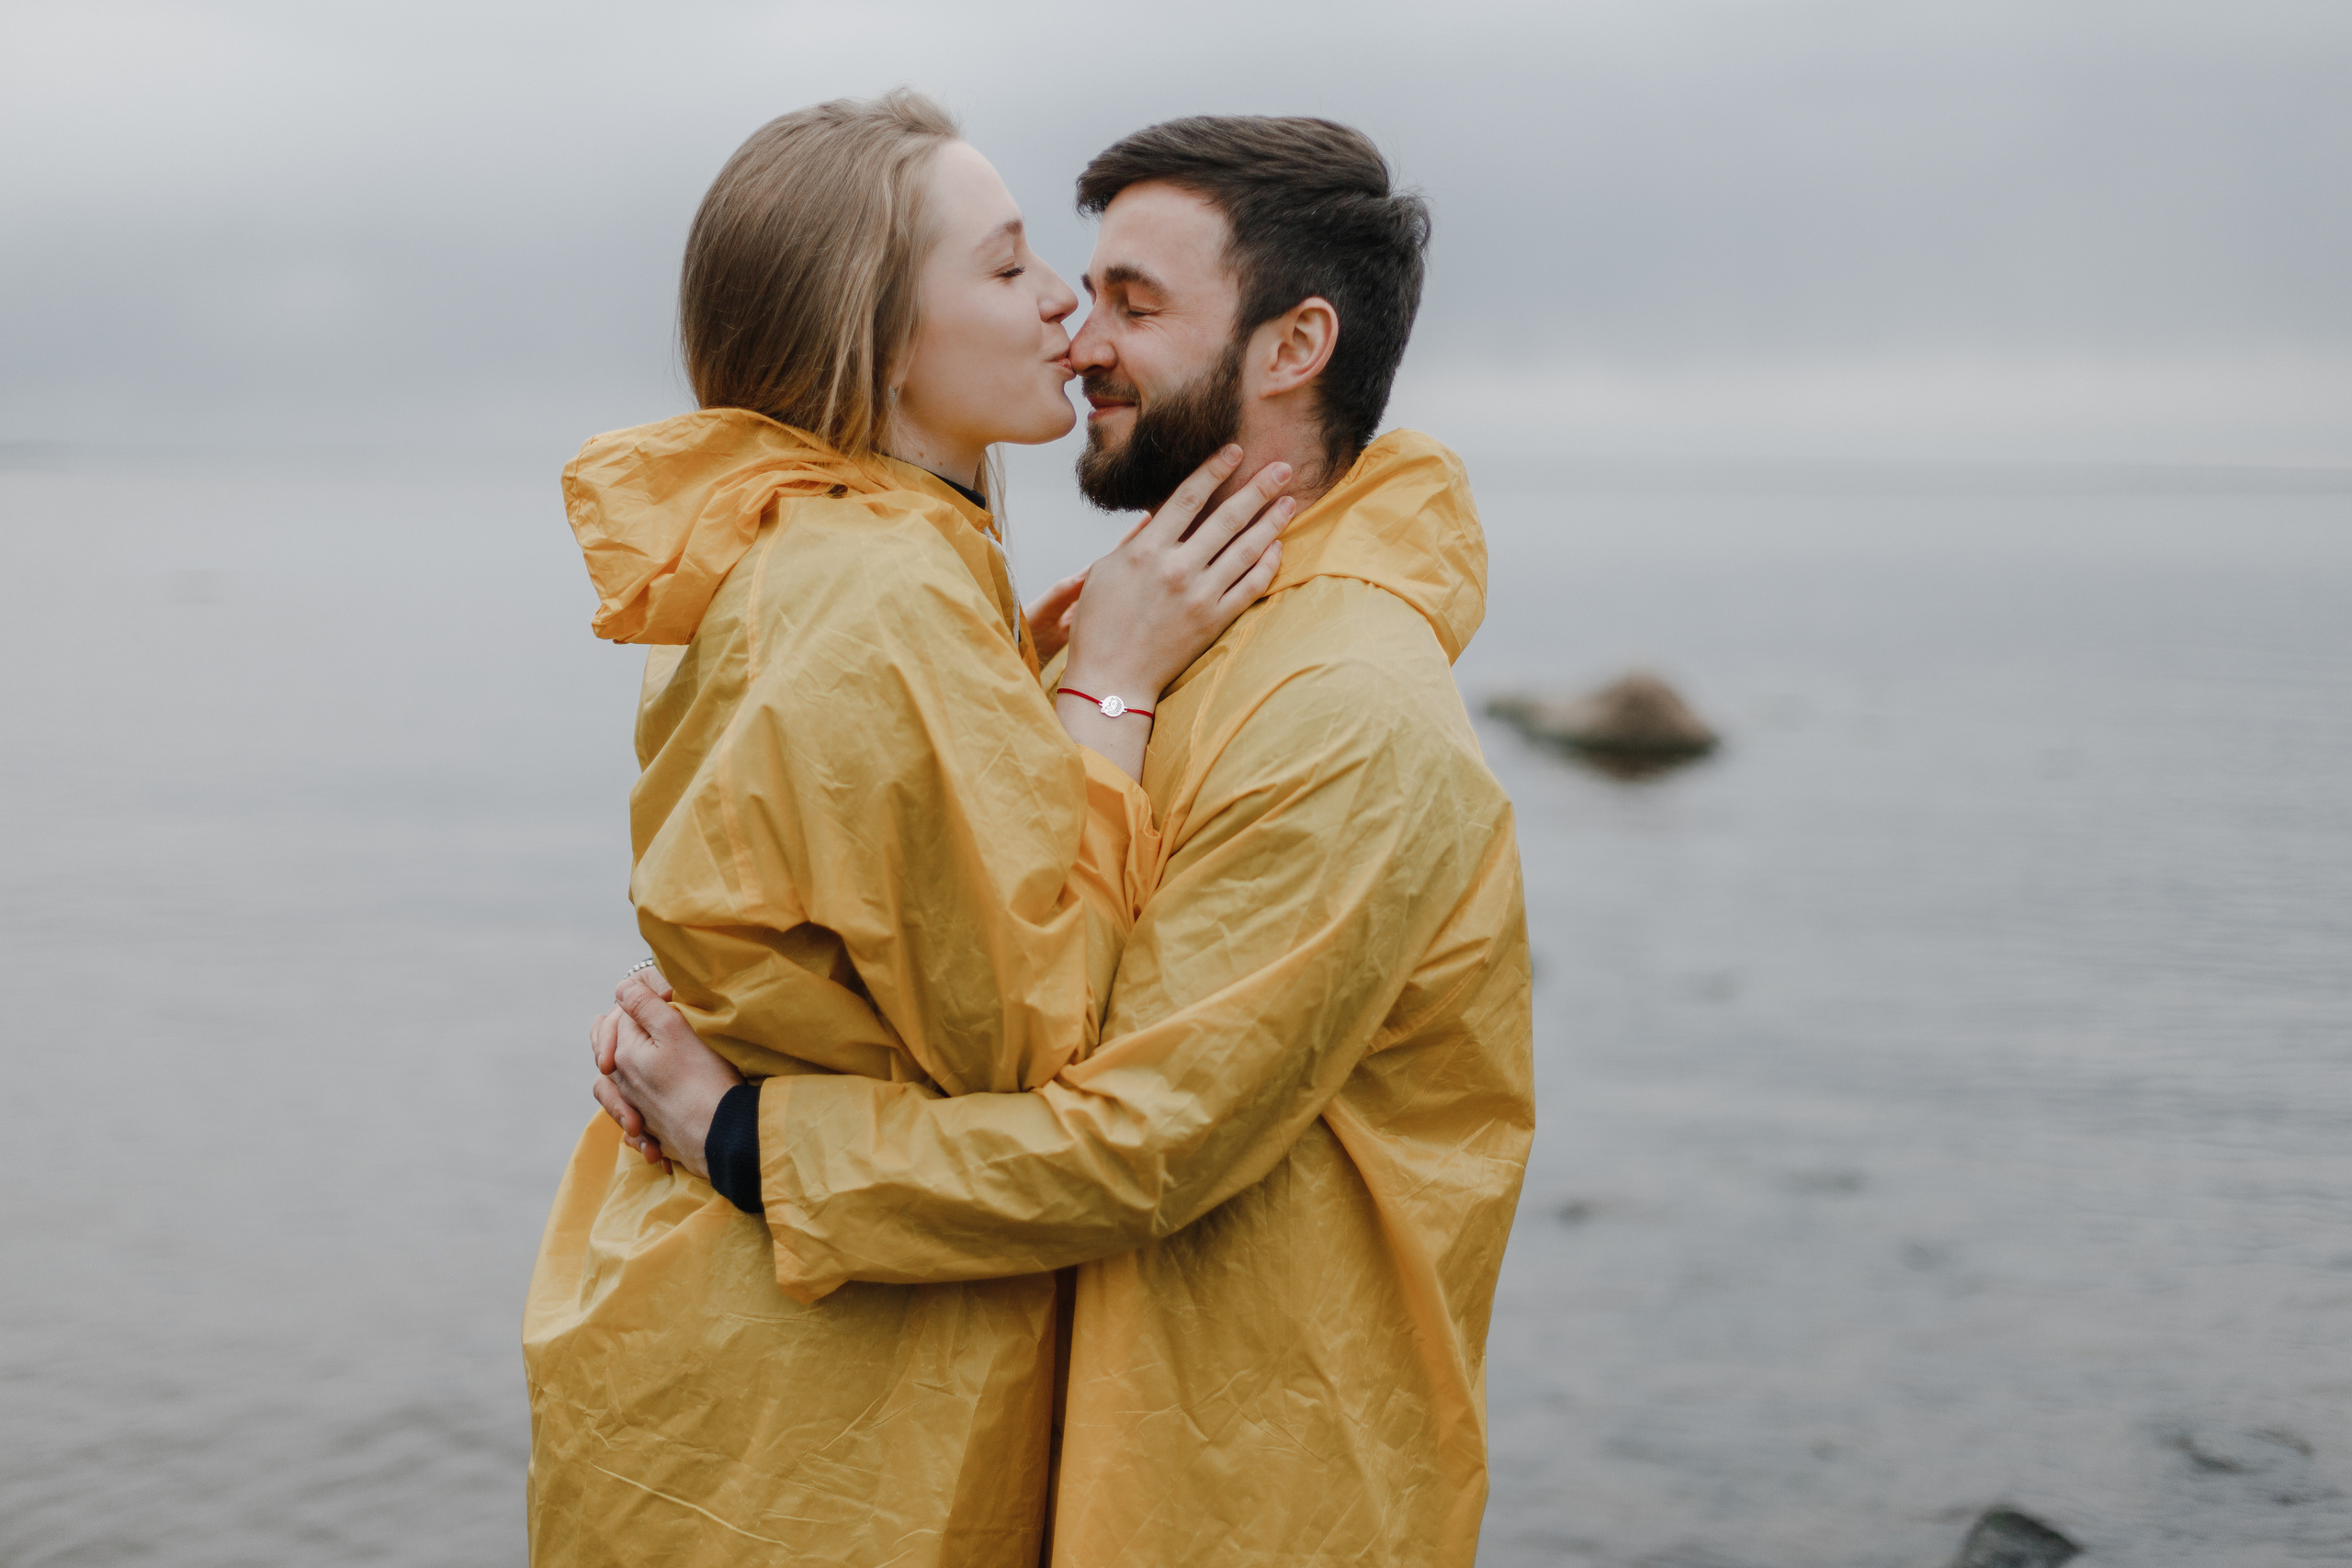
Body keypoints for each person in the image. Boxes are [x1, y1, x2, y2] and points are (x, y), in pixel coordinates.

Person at [596, 114, 1534, 1568]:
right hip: (1073, 1453)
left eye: (1133, 304)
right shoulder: (1117, 620)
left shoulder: (1347, 710)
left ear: (1292, 349)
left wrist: (740, 1133)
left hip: (1241, 1490)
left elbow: (1129, 1137)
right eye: (1056, 280)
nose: (1081, 335)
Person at [522, 91, 1296, 1568]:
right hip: (814, 1418)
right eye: (1007, 268)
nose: (1062, 296)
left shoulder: (801, 537)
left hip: (732, 1359)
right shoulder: (876, 591)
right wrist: (1114, 690)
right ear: (877, 338)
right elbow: (1037, 1033)